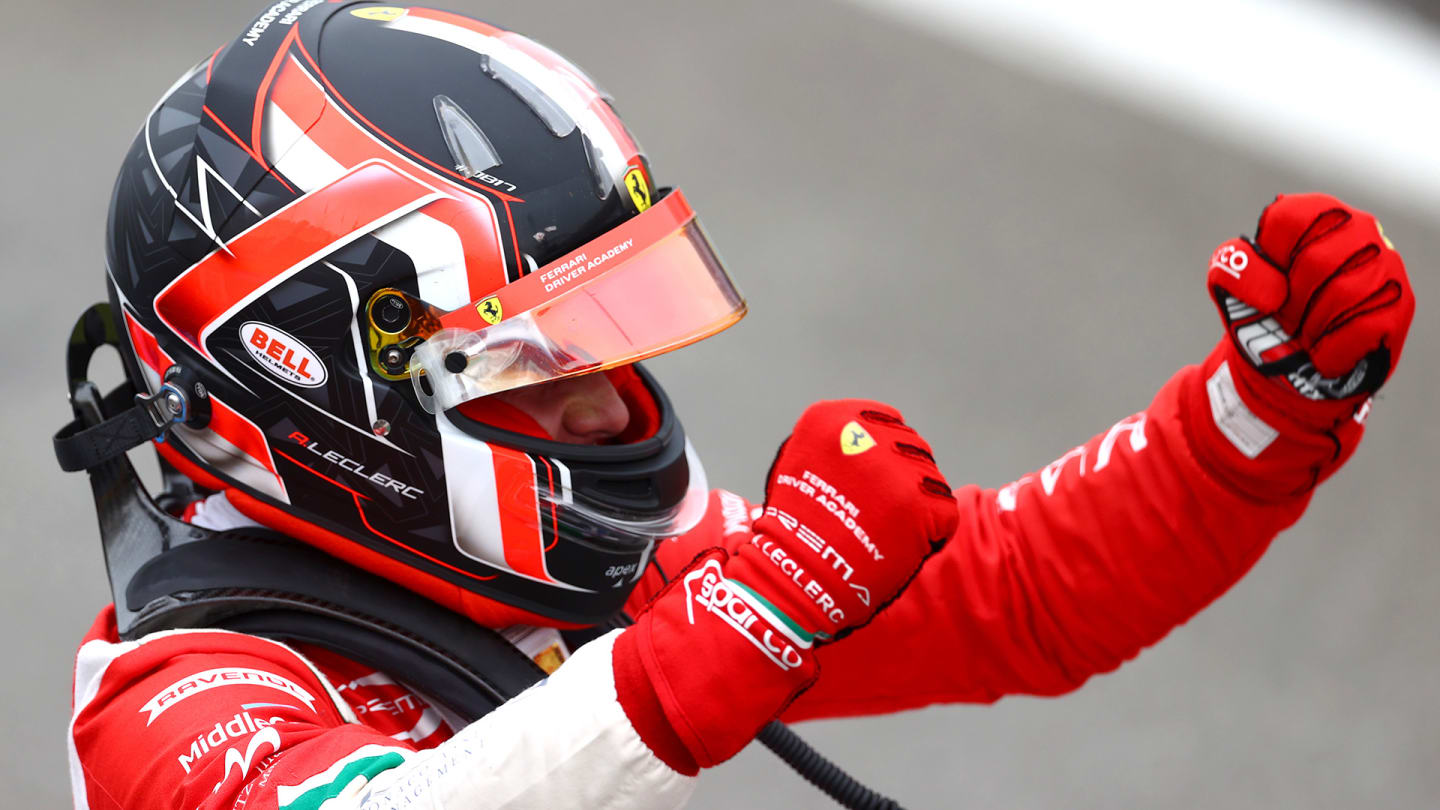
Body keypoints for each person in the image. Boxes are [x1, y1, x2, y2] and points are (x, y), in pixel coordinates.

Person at [62, 4, 1414, 810]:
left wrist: (1252, 418)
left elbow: (1020, 600)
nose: (609, 407)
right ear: (334, 393)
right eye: (544, 358)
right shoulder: (171, 702)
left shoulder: (564, 565)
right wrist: (717, 642)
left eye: (608, 333)